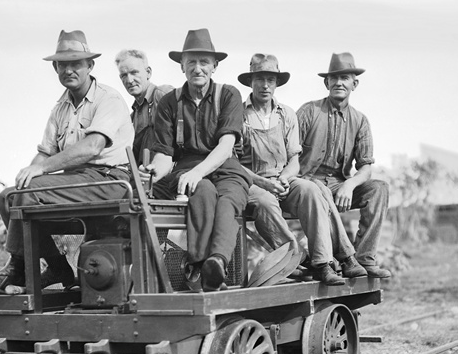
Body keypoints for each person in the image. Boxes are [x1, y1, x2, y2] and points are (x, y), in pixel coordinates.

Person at [0, 30, 135, 291]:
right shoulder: (60, 108)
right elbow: (46, 152)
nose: (69, 70)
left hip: (109, 180)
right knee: (8, 198)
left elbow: (92, 147)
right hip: (76, 182)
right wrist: (29, 171)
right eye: (63, 65)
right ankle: (58, 267)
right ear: (55, 67)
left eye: (76, 64)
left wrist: (41, 169)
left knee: (27, 193)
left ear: (90, 66)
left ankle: (17, 270)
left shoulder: (109, 99)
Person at [237, 54, 364, 285]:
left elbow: (295, 159)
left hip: (282, 179)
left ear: (277, 83)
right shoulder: (238, 115)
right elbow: (233, 163)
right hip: (251, 183)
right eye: (260, 79)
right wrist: (264, 183)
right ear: (250, 82)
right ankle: (298, 257)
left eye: (271, 80)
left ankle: (322, 263)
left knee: (311, 189)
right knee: (265, 202)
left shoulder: (286, 114)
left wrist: (285, 178)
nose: (265, 86)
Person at [142, 28, 250, 292]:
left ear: (214, 66)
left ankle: (217, 262)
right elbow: (165, 154)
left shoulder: (229, 95)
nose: (198, 68)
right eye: (191, 62)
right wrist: (153, 171)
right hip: (187, 168)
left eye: (204, 62)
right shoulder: (169, 102)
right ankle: (200, 263)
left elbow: (226, 146)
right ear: (182, 66)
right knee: (201, 190)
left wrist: (199, 171)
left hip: (224, 166)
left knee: (229, 198)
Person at [297, 52, 391, 278]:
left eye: (345, 78)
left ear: (354, 84)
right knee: (319, 190)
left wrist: (350, 185)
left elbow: (366, 165)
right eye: (334, 78)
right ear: (326, 82)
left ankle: (364, 259)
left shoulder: (360, 120)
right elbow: (288, 153)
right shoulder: (308, 111)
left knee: (379, 189)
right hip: (306, 185)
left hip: (339, 186)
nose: (339, 82)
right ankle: (341, 259)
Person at [114, 49, 173, 162]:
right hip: (145, 173)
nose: (129, 80)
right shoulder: (133, 115)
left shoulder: (163, 95)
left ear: (148, 72)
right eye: (124, 75)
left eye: (134, 72)